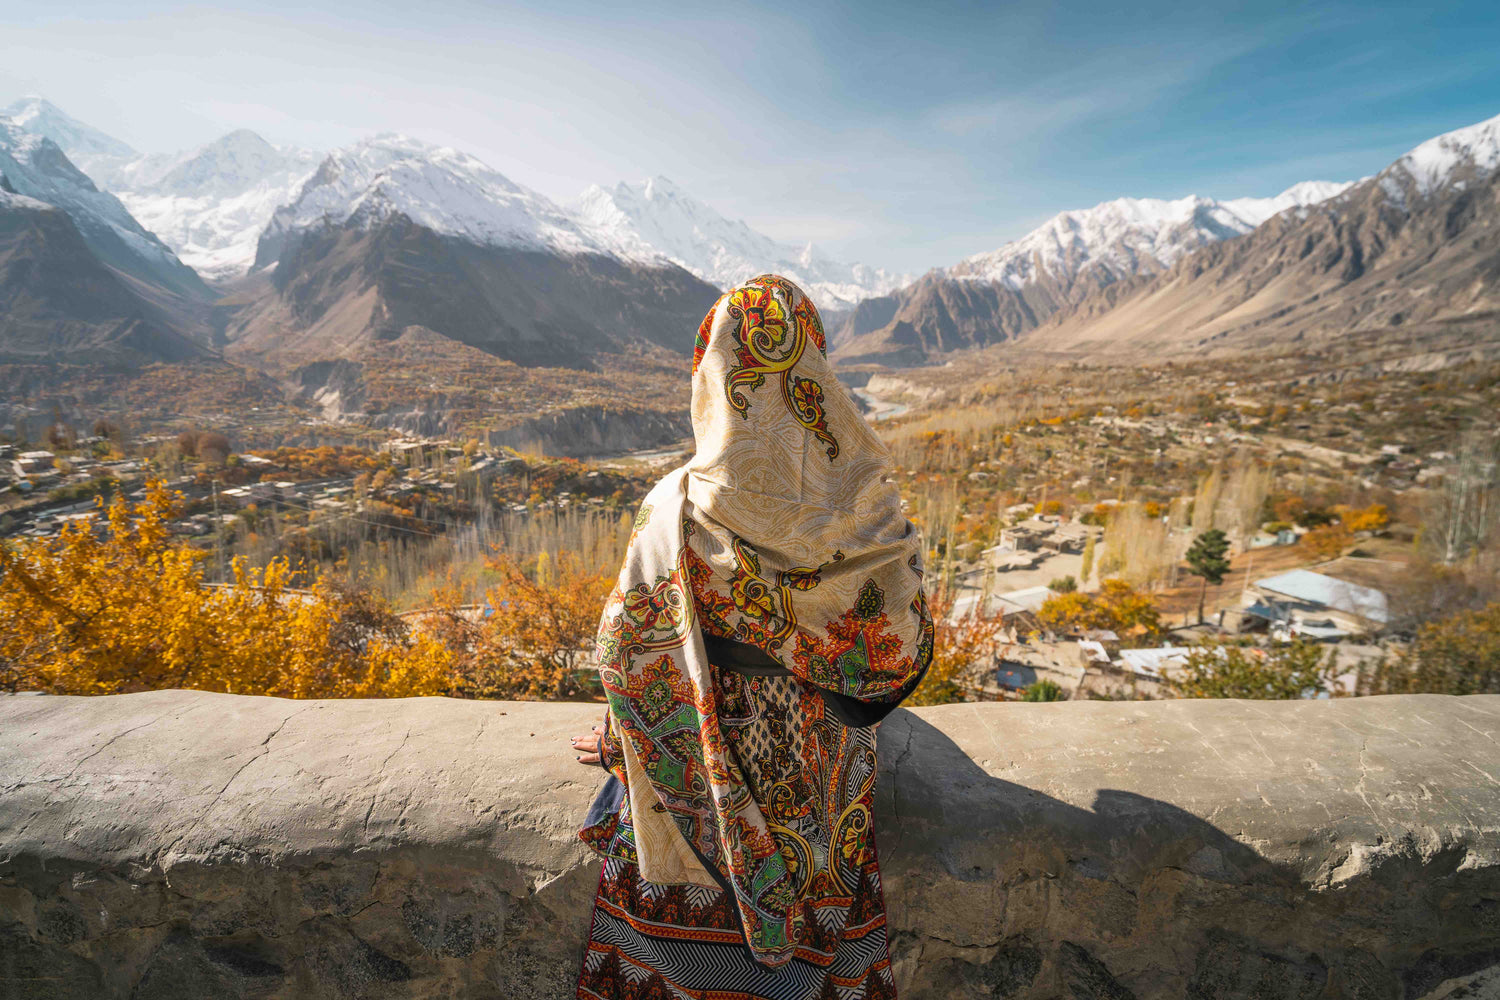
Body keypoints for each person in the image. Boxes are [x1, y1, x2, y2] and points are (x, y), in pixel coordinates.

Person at [570, 274, 932, 1000]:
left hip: (704, 763)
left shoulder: (675, 507)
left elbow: (628, 652)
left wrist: (622, 741)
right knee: (827, 938)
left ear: (712, 371)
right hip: (825, 774)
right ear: (815, 366)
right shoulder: (872, 508)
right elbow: (900, 650)